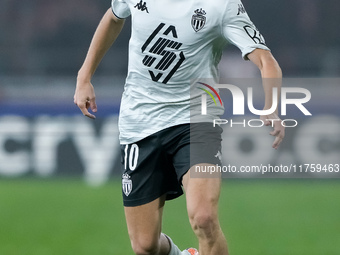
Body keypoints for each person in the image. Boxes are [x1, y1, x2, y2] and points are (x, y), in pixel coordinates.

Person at [74, 0, 284, 254]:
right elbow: (113, 18)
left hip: (196, 121)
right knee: (145, 245)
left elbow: (265, 58)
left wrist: (271, 105)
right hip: (140, 123)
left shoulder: (222, 5)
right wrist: (84, 77)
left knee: (204, 218)